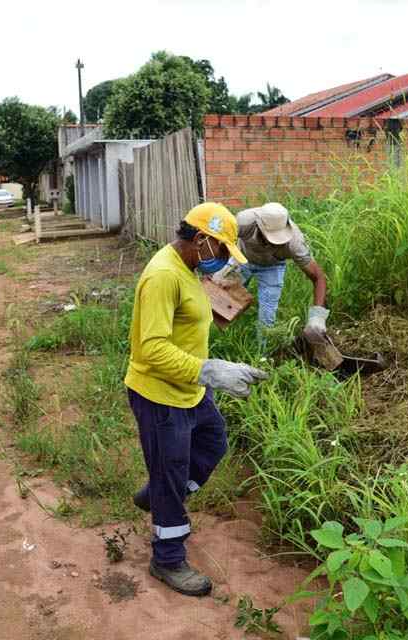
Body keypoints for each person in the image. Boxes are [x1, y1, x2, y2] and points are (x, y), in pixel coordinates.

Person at [125, 202, 268, 597]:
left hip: (190, 388)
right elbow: (151, 349)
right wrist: (210, 370)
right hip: (160, 394)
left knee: (213, 442)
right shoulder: (163, 276)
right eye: (222, 250)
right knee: (171, 474)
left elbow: (196, 320)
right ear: (202, 240)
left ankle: (159, 493)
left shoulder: (189, 269)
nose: (223, 259)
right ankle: (168, 559)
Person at [212, 202, 329, 344]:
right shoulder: (244, 222)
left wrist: (317, 317)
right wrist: (216, 267)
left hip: (272, 268)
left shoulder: (294, 243)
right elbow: (220, 241)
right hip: (241, 259)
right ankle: (219, 341)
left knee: (266, 319)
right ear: (259, 227)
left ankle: (262, 353)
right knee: (218, 300)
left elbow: (318, 277)